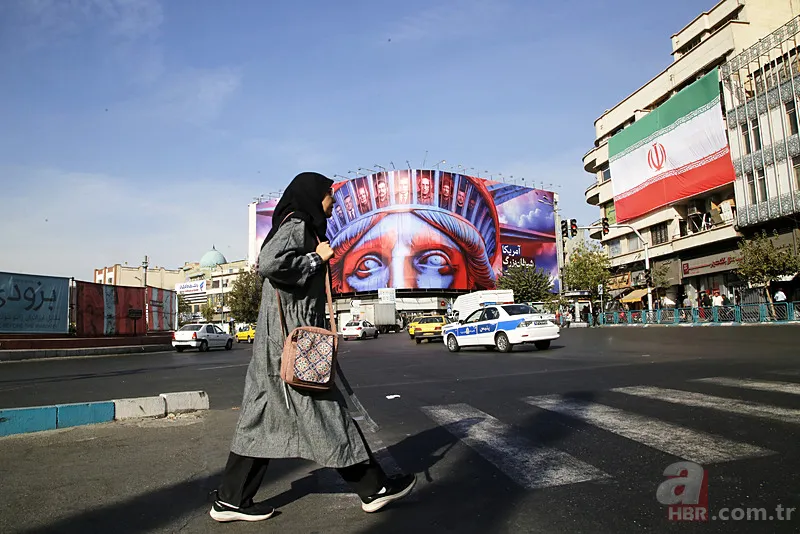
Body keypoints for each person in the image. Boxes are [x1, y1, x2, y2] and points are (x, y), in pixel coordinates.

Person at [210, 172, 416, 523]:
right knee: (325, 410)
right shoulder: (298, 225)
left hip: (279, 343)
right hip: (292, 345)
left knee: (261, 419)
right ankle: (373, 487)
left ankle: (231, 498)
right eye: (329, 195)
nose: (333, 202)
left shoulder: (300, 226)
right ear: (312, 196)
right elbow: (269, 263)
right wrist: (316, 259)